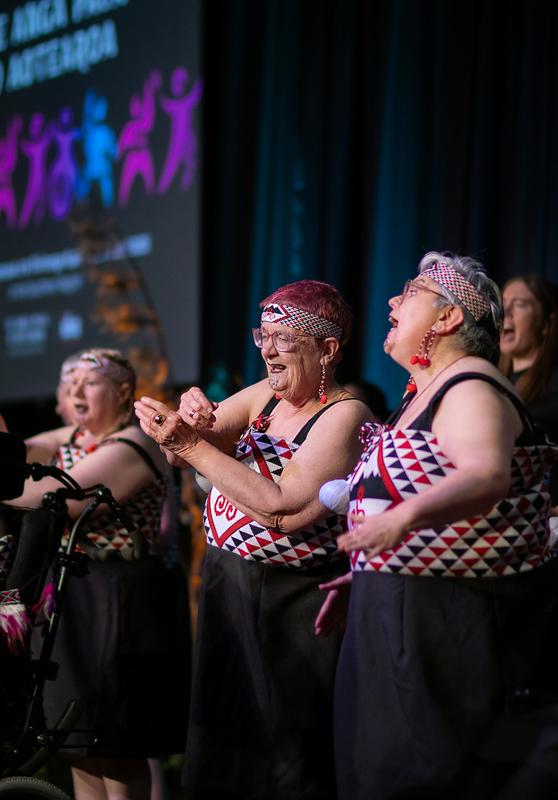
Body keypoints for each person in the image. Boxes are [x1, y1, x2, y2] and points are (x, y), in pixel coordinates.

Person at [316, 253, 558, 799]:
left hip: (449, 625)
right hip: (399, 608)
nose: (391, 302)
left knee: (428, 777)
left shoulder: (470, 383)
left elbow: (486, 475)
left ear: (448, 318)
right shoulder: (424, 396)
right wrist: (370, 569)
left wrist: (399, 522)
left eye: (410, 292)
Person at [134, 279, 372, 800]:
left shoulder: (345, 415)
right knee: (222, 736)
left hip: (291, 599)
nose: (266, 349)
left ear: (328, 349)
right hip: (229, 581)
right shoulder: (266, 395)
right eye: (261, 335)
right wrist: (187, 417)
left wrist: (193, 445)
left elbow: (281, 508)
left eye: (282, 338)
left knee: (284, 746)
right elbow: (190, 450)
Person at [4, 349, 189, 800]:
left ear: (123, 391)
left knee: (116, 744)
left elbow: (61, 498)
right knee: (78, 743)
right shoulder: (75, 436)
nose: (74, 392)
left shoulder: (135, 443)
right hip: (75, 593)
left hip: (122, 601)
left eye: (89, 382)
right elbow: (18, 452)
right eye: (69, 383)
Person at [499, 274, 558, 501]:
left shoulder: (553, 385)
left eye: (520, 304)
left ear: (546, 323)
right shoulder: (489, 382)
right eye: (503, 303)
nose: (506, 311)